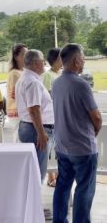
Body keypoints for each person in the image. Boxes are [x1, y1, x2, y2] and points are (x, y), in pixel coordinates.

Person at [52, 43, 102, 223]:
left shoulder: (56, 83)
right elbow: (96, 117)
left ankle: (59, 220)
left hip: (62, 145)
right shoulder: (81, 84)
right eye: (83, 57)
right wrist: (92, 134)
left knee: (63, 186)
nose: (84, 61)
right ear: (75, 61)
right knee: (84, 190)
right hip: (82, 148)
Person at [15, 49, 54, 183]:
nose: (44, 64)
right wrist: (41, 133)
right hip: (35, 129)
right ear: (36, 63)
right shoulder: (32, 81)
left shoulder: (27, 79)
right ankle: (34, 203)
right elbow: (34, 110)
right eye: (43, 61)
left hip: (31, 127)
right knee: (37, 173)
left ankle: (32, 202)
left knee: (34, 171)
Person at [42, 48, 62, 188]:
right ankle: (50, 177)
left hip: (59, 117)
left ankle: (56, 177)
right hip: (49, 118)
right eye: (60, 58)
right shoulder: (48, 75)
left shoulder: (59, 74)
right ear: (54, 60)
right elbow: (48, 96)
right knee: (50, 151)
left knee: (58, 149)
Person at [6, 43, 28, 142]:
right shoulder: (14, 73)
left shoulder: (25, 71)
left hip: (24, 110)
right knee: (19, 138)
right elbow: (15, 94)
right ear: (16, 57)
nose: (26, 57)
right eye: (24, 54)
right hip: (17, 111)